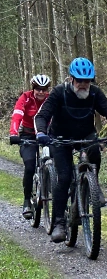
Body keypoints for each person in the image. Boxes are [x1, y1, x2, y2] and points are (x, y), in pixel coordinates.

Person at [35, 58, 107, 242]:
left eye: (87, 81)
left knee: (95, 152)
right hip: (61, 138)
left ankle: (93, 185)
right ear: (71, 79)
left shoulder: (95, 94)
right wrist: (42, 133)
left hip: (85, 135)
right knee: (65, 177)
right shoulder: (59, 92)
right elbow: (42, 115)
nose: (83, 85)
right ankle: (59, 222)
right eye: (79, 80)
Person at [10, 74, 51, 219]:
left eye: (44, 89)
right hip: (27, 134)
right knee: (29, 166)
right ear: (33, 89)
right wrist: (14, 133)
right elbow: (17, 115)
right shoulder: (25, 98)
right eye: (38, 89)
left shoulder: (50, 98)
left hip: (46, 134)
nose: (41, 92)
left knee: (57, 160)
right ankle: (27, 200)